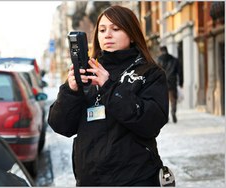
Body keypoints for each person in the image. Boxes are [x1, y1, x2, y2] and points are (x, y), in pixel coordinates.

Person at [48, 5, 169, 186]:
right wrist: (71, 91)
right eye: (102, 30)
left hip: (136, 178)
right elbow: (61, 126)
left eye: (116, 29)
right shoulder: (88, 72)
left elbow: (151, 123)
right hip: (91, 180)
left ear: (132, 33)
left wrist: (109, 87)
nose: (107, 35)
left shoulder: (150, 73)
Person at [157, 46, 183, 123]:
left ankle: (166, 116)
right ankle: (173, 112)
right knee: (173, 99)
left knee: (164, 100)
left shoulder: (158, 59)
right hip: (172, 82)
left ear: (161, 51)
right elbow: (180, 72)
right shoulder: (174, 60)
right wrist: (181, 82)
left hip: (162, 83)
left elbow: (155, 72)